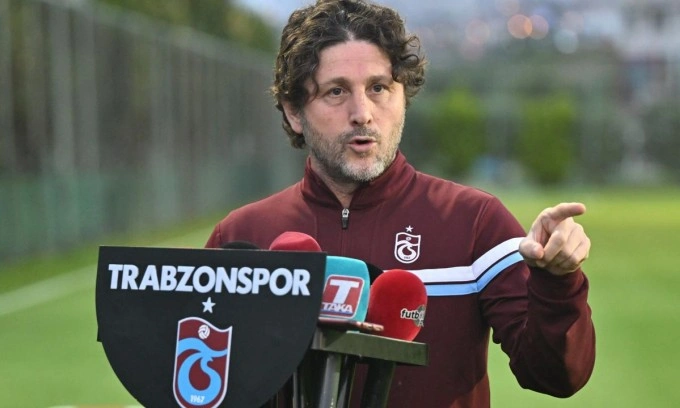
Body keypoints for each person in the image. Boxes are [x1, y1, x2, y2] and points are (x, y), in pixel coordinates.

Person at [205, 0, 595, 406]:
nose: (362, 113)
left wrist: (557, 282)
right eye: (336, 91)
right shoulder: (241, 236)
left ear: (403, 96)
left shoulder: (475, 222)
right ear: (294, 112)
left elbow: (557, 375)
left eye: (379, 88)